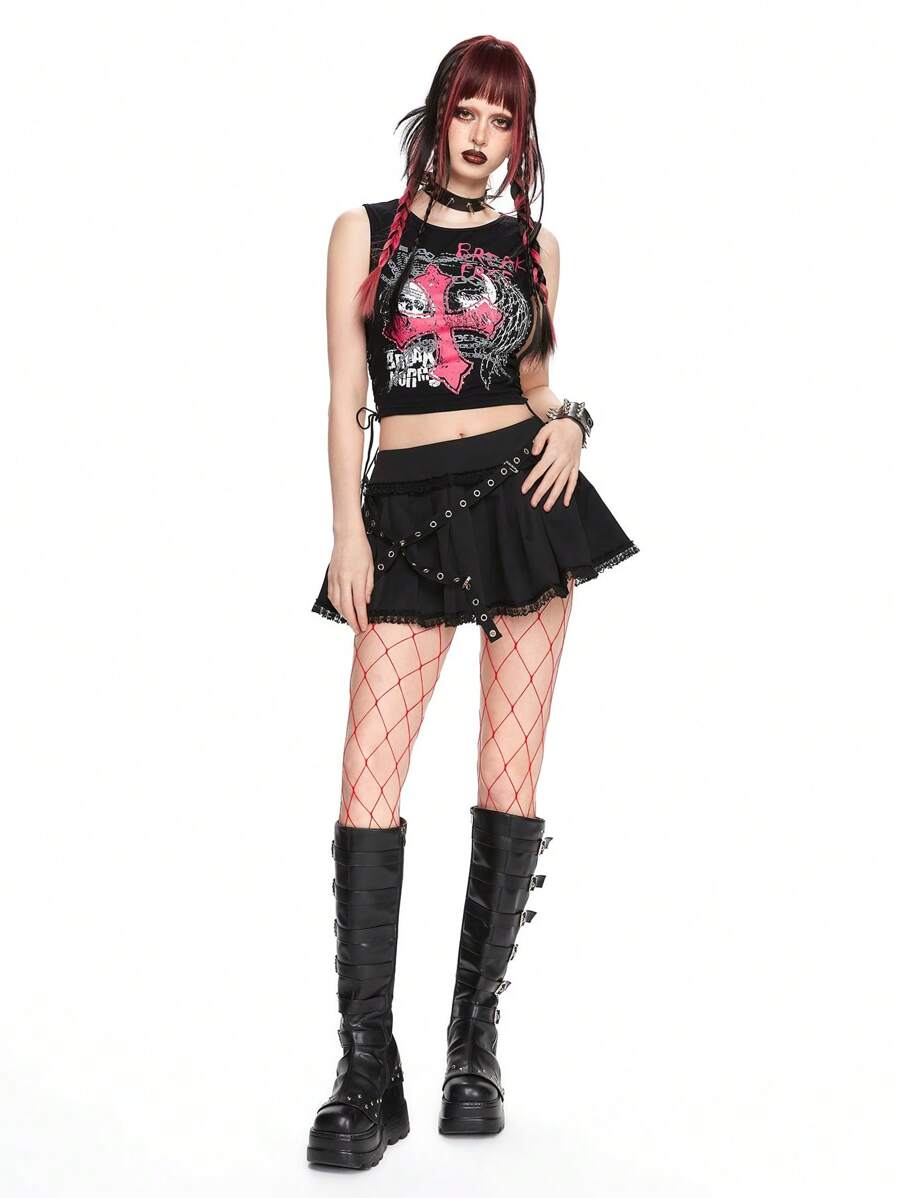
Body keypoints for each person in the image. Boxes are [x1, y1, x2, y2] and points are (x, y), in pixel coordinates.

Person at [306, 35, 639, 1170]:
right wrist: (346, 532)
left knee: (508, 781)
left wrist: (572, 422)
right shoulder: (365, 231)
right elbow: (347, 400)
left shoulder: (534, 247)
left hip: (523, 503)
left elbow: (534, 380)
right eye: (469, 111)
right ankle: (368, 1071)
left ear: (519, 138)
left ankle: (472, 1048)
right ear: (439, 111)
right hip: (402, 516)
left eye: (504, 121)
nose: (482, 136)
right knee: (367, 787)